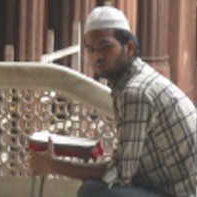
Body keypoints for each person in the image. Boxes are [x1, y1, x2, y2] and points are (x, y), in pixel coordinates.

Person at [30, 6, 196, 197]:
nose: (97, 56)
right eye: (91, 50)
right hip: (164, 185)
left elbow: (120, 174)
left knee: (92, 192)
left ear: (129, 48)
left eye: (105, 47)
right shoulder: (133, 81)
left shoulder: (136, 92)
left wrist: (55, 165)